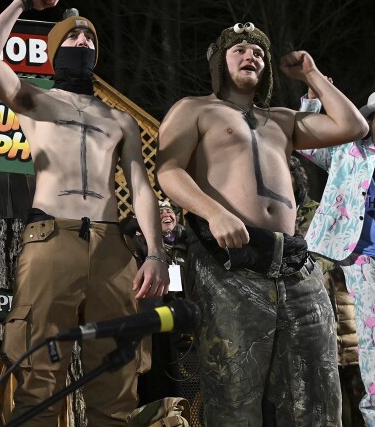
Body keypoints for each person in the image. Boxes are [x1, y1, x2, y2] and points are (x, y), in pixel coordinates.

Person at [0, 0, 168, 426]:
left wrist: (155, 253)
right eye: (74, 37)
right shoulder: (34, 100)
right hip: (51, 237)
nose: (83, 42)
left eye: (90, 39)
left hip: (111, 245)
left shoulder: (120, 119)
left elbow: (140, 184)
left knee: (118, 374)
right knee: (38, 373)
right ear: (55, 51)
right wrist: (22, 0)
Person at [156, 22, 367, 424]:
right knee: (234, 398)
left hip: (293, 265)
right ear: (220, 61)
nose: (250, 55)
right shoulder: (195, 109)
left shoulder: (282, 120)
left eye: (258, 52)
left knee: (319, 398)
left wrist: (310, 74)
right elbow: (168, 171)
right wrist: (215, 212)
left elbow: (352, 126)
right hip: (228, 262)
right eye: (239, 50)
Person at [298, 89, 375, 424]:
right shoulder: (348, 150)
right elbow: (307, 141)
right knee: (372, 342)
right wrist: (312, 102)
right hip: (362, 258)